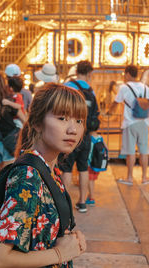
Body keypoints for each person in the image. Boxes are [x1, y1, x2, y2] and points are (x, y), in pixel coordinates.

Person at [0, 83, 87, 268]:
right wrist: (60, 253)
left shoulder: (48, 169)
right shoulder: (28, 176)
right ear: (37, 123)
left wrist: (70, 240)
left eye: (79, 121)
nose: (73, 129)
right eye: (62, 118)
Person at [58, 61, 100, 213]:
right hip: (86, 133)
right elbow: (96, 111)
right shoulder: (91, 90)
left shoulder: (68, 86)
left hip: (70, 133)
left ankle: (63, 203)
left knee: (66, 168)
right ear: (89, 73)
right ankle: (82, 202)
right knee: (83, 168)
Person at [107, 65, 149, 185]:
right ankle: (145, 177)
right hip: (144, 123)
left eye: (125, 74)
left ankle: (129, 178)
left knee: (130, 152)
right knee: (144, 151)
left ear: (128, 74)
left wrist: (109, 112)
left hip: (130, 123)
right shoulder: (146, 88)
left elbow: (116, 102)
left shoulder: (124, 88)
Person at [86, 119, 106, 206]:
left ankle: (91, 198)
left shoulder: (88, 138)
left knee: (89, 180)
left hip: (89, 163)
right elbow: (106, 148)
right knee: (92, 180)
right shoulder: (100, 137)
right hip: (97, 163)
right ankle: (90, 195)